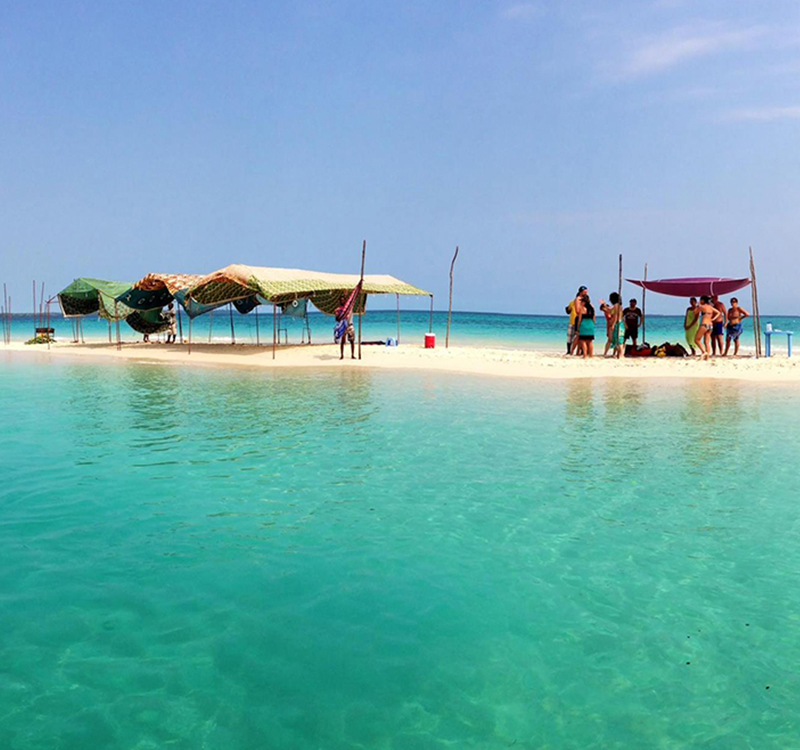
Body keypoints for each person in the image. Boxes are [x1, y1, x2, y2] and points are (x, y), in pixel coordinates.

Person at [695, 295, 723, 360]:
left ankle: (704, 352)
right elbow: (719, 313)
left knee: (697, 340)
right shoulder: (710, 307)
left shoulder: (702, 307)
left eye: (700, 300)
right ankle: (707, 357)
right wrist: (713, 319)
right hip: (710, 325)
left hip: (704, 324)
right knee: (707, 342)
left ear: (702, 300)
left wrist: (698, 306)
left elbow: (694, 312)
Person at [599, 292, 623, 358]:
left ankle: (620, 354)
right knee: (616, 340)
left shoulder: (617, 306)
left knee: (619, 340)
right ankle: (619, 354)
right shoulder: (618, 306)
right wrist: (604, 304)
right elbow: (609, 310)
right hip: (618, 324)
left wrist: (613, 325)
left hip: (617, 324)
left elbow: (616, 316)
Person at [565, 286, 587, 355]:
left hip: (577, 321)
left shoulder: (584, 302)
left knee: (575, 337)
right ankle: (570, 351)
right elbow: (568, 310)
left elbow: (568, 311)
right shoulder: (573, 302)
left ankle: (575, 351)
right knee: (572, 337)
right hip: (574, 321)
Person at [334, 294, 356, 360]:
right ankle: (342, 355)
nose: (342, 301)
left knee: (352, 341)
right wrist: (338, 314)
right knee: (343, 341)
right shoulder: (339, 310)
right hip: (343, 326)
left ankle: (352, 355)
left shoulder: (349, 308)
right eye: (341, 300)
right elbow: (337, 319)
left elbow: (351, 298)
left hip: (350, 325)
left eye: (343, 300)